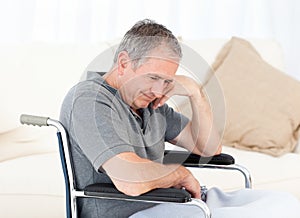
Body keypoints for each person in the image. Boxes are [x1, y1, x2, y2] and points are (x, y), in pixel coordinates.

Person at [60, 19, 300, 217]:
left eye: (167, 81)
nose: (159, 89)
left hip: (177, 203)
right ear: (124, 63)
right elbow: (128, 178)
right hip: (134, 212)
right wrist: (180, 174)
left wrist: (196, 93)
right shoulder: (89, 100)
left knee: (285, 204)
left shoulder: (150, 104)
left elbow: (209, 148)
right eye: (153, 77)